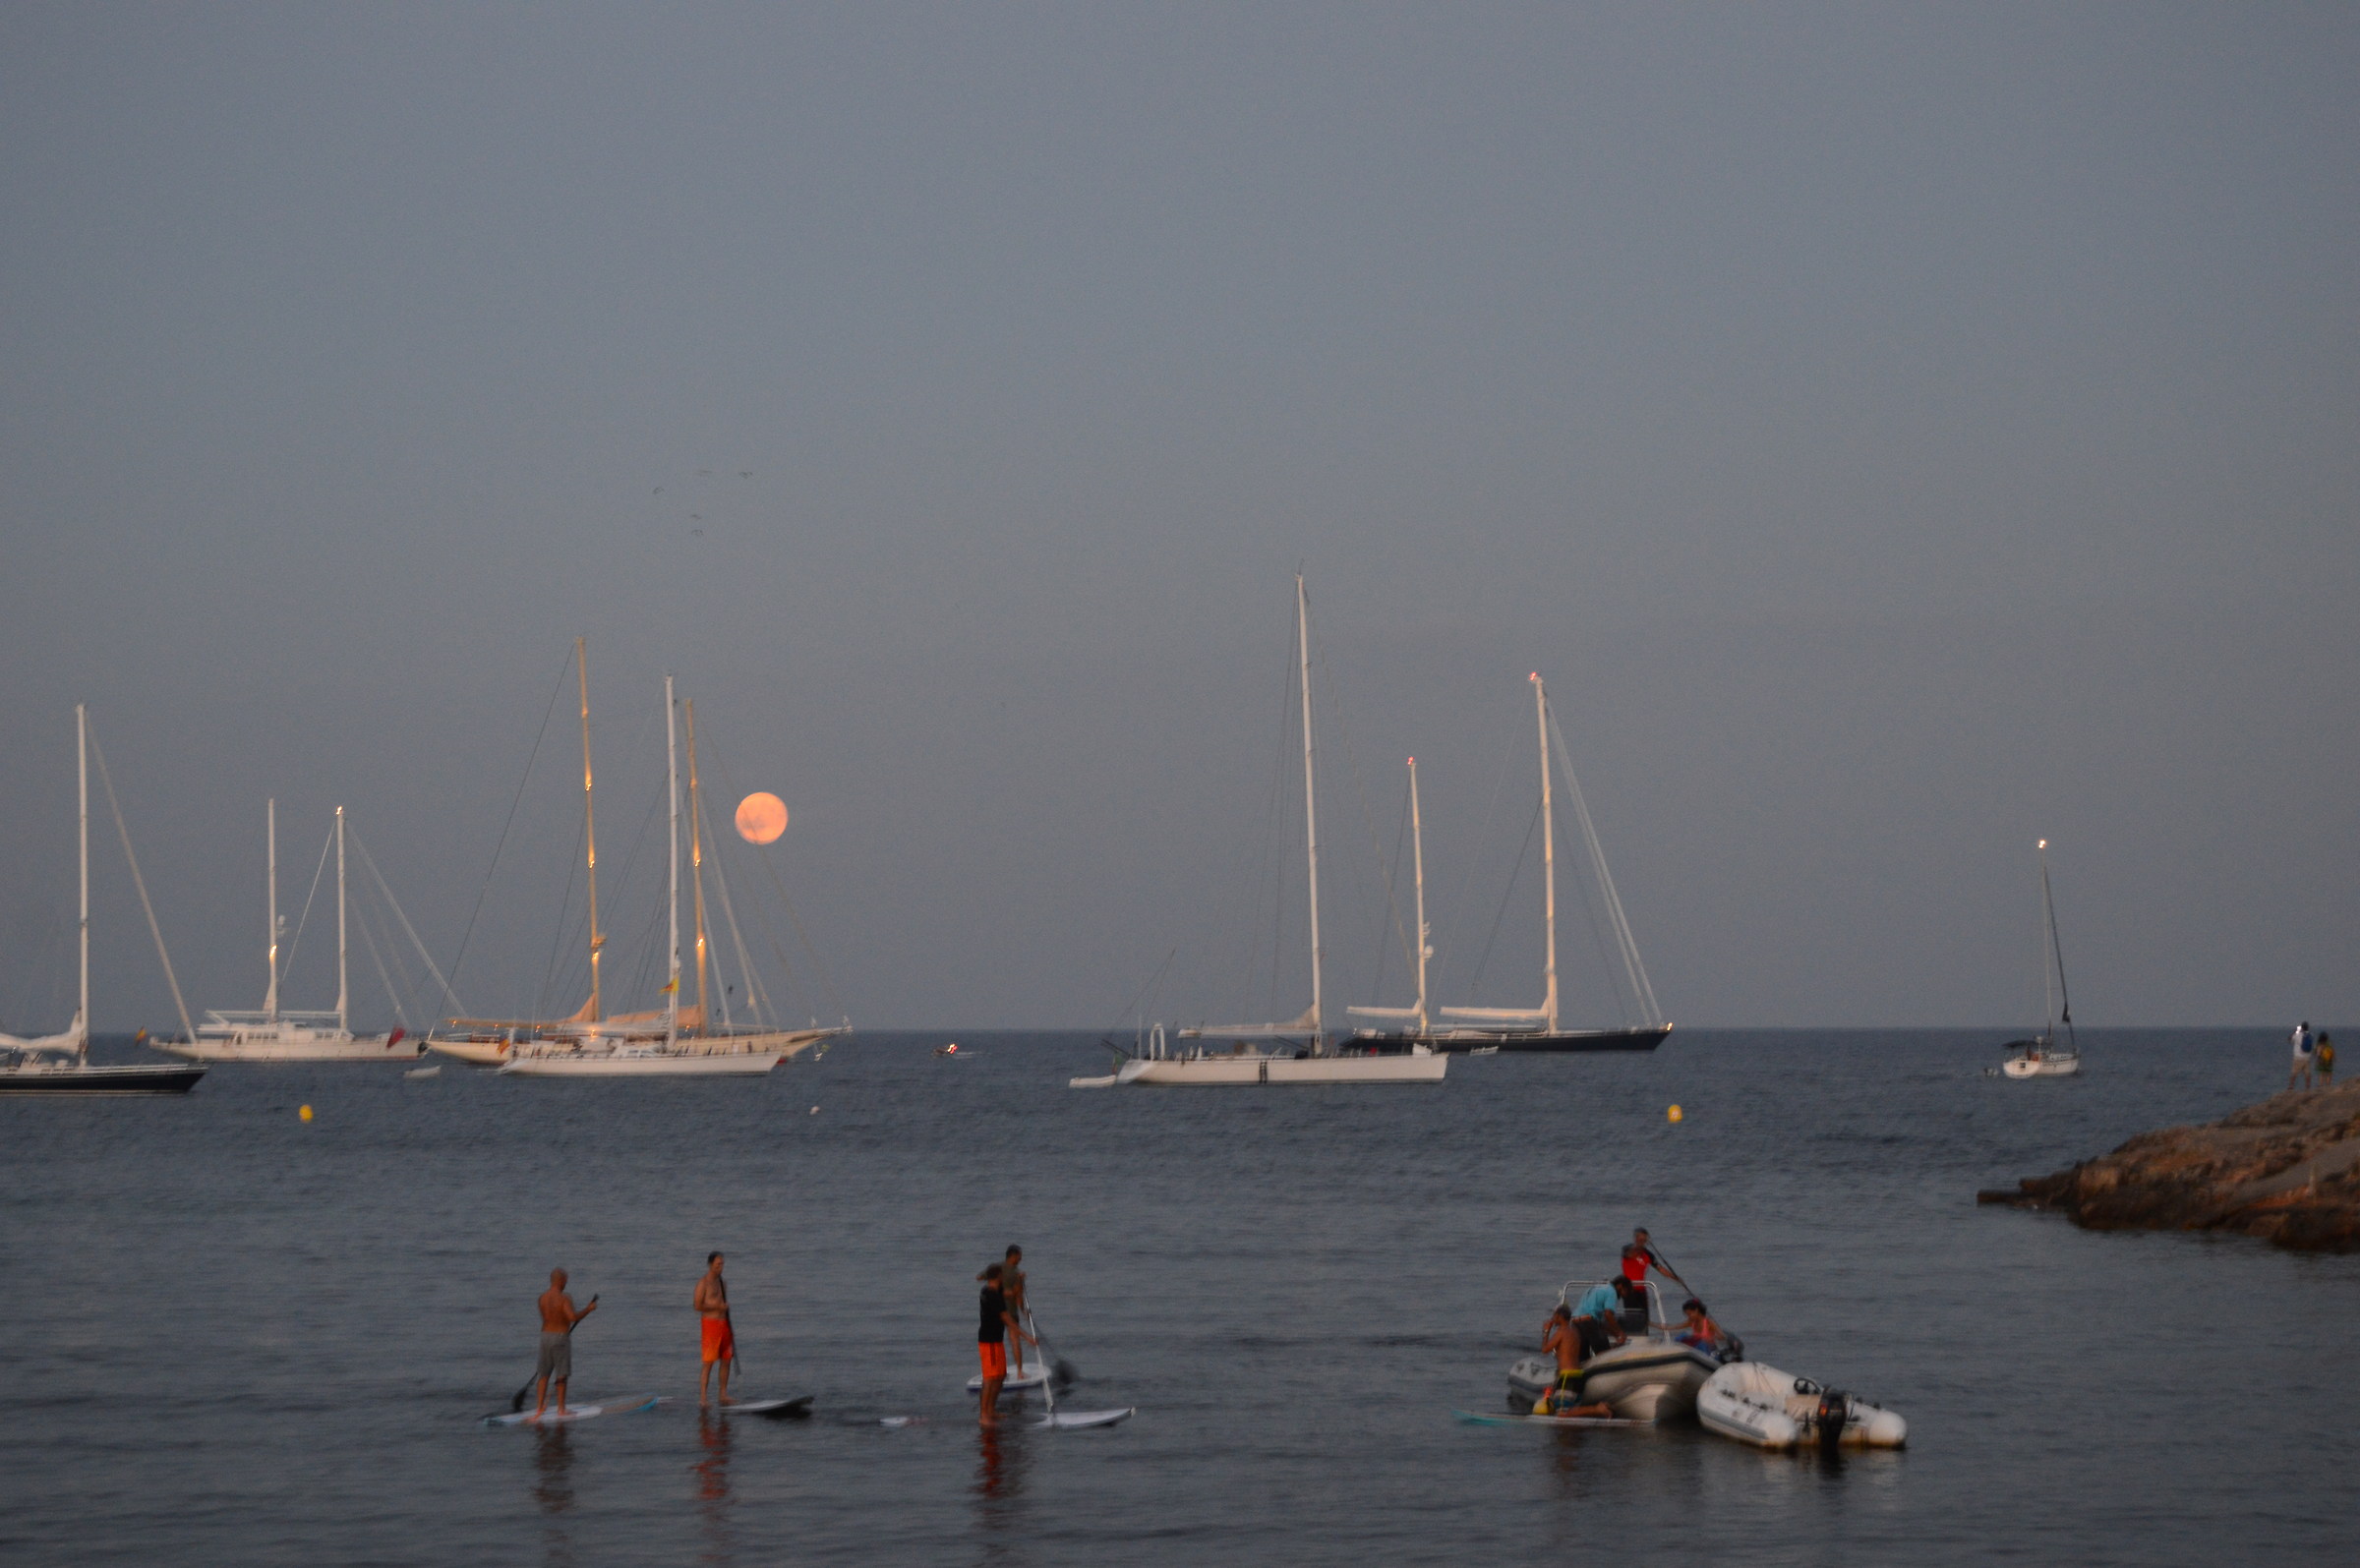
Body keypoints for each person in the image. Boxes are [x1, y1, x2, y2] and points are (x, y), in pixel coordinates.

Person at [975, 1261, 1036, 1426]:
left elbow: (1012, 1294)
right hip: (989, 1342)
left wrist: (1019, 1280)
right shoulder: (991, 1294)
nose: (1003, 1277)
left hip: (996, 1340)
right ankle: (984, 1416)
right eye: (1002, 1275)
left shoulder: (994, 1290)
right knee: (990, 1378)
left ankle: (991, 1410)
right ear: (998, 1276)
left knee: (1000, 1376)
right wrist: (1026, 1336)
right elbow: (1007, 1319)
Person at [534, 1268, 599, 1420]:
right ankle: (561, 1410)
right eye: (566, 1281)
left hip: (545, 1336)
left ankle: (539, 1408)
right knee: (561, 1374)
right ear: (561, 1280)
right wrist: (589, 1309)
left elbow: (548, 1317)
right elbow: (572, 1317)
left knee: (543, 1374)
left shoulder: (542, 1298)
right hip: (560, 1338)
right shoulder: (564, 1298)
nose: (566, 1284)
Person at [1535, 1306, 1615, 1418]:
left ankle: (1598, 1409)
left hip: (1568, 1377)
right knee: (1571, 1410)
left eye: (1555, 1316)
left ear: (1560, 1317)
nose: (1553, 1318)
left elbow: (1545, 1350)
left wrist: (1546, 1331)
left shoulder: (1561, 1331)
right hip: (1577, 1376)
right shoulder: (1574, 1331)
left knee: (1562, 1413)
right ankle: (1602, 1407)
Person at [694, 1251, 737, 1407]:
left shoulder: (722, 1283)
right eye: (718, 1264)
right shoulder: (703, 1283)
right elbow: (697, 1305)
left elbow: (723, 1303)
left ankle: (723, 1394)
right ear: (711, 1264)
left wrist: (724, 1310)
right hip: (710, 1324)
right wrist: (716, 1306)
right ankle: (703, 1398)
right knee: (709, 1362)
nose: (721, 1267)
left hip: (724, 1324)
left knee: (726, 1360)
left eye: (722, 1264)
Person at [1563, 1280, 1627, 1361]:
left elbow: (1601, 1324)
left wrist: (1615, 1334)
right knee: (1604, 1353)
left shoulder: (1593, 1289)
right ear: (1620, 1286)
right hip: (1588, 1321)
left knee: (1583, 1357)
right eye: (1626, 1291)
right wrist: (1620, 1333)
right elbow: (1608, 1315)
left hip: (1575, 1323)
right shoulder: (1612, 1291)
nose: (1624, 1295)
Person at [1622, 1228, 1686, 1291]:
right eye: (1640, 1239)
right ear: (1635, 1238)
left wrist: (1675, 1278)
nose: (1642, 1241)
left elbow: (1660, 1269)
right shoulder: (1627, 1249)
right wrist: (1641, 1245)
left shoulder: (1648, 1255)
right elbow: (1631, 1255)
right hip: (1629, 1287)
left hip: (1641, 1288)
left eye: (1644, 1240)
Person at [999, 1246, 1029, 1377]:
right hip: (1010, 1312)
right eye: (1020, 1256)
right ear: (1014, 1256)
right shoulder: (1017, 1274)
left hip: (994, 1311)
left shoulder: (996, 1268)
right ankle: (1019, 1372)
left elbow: (980, 1277)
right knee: (1015, 1340)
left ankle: (999, 1371)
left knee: (996, 1341)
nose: (1021, 1259)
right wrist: (1023, 1311)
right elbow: (1019, 1297)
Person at [2290, 1020, 2315, 1091]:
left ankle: (2291, 1086)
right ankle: (2308, 1087)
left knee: (2294, 1072)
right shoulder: (2310, 1035)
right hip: (2307, 1057)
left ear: (2302, 1028)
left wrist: (2296, 1032)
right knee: (2307, 1073)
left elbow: (2290, 1039)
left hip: (2298, 1057)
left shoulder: (2297, 1035)